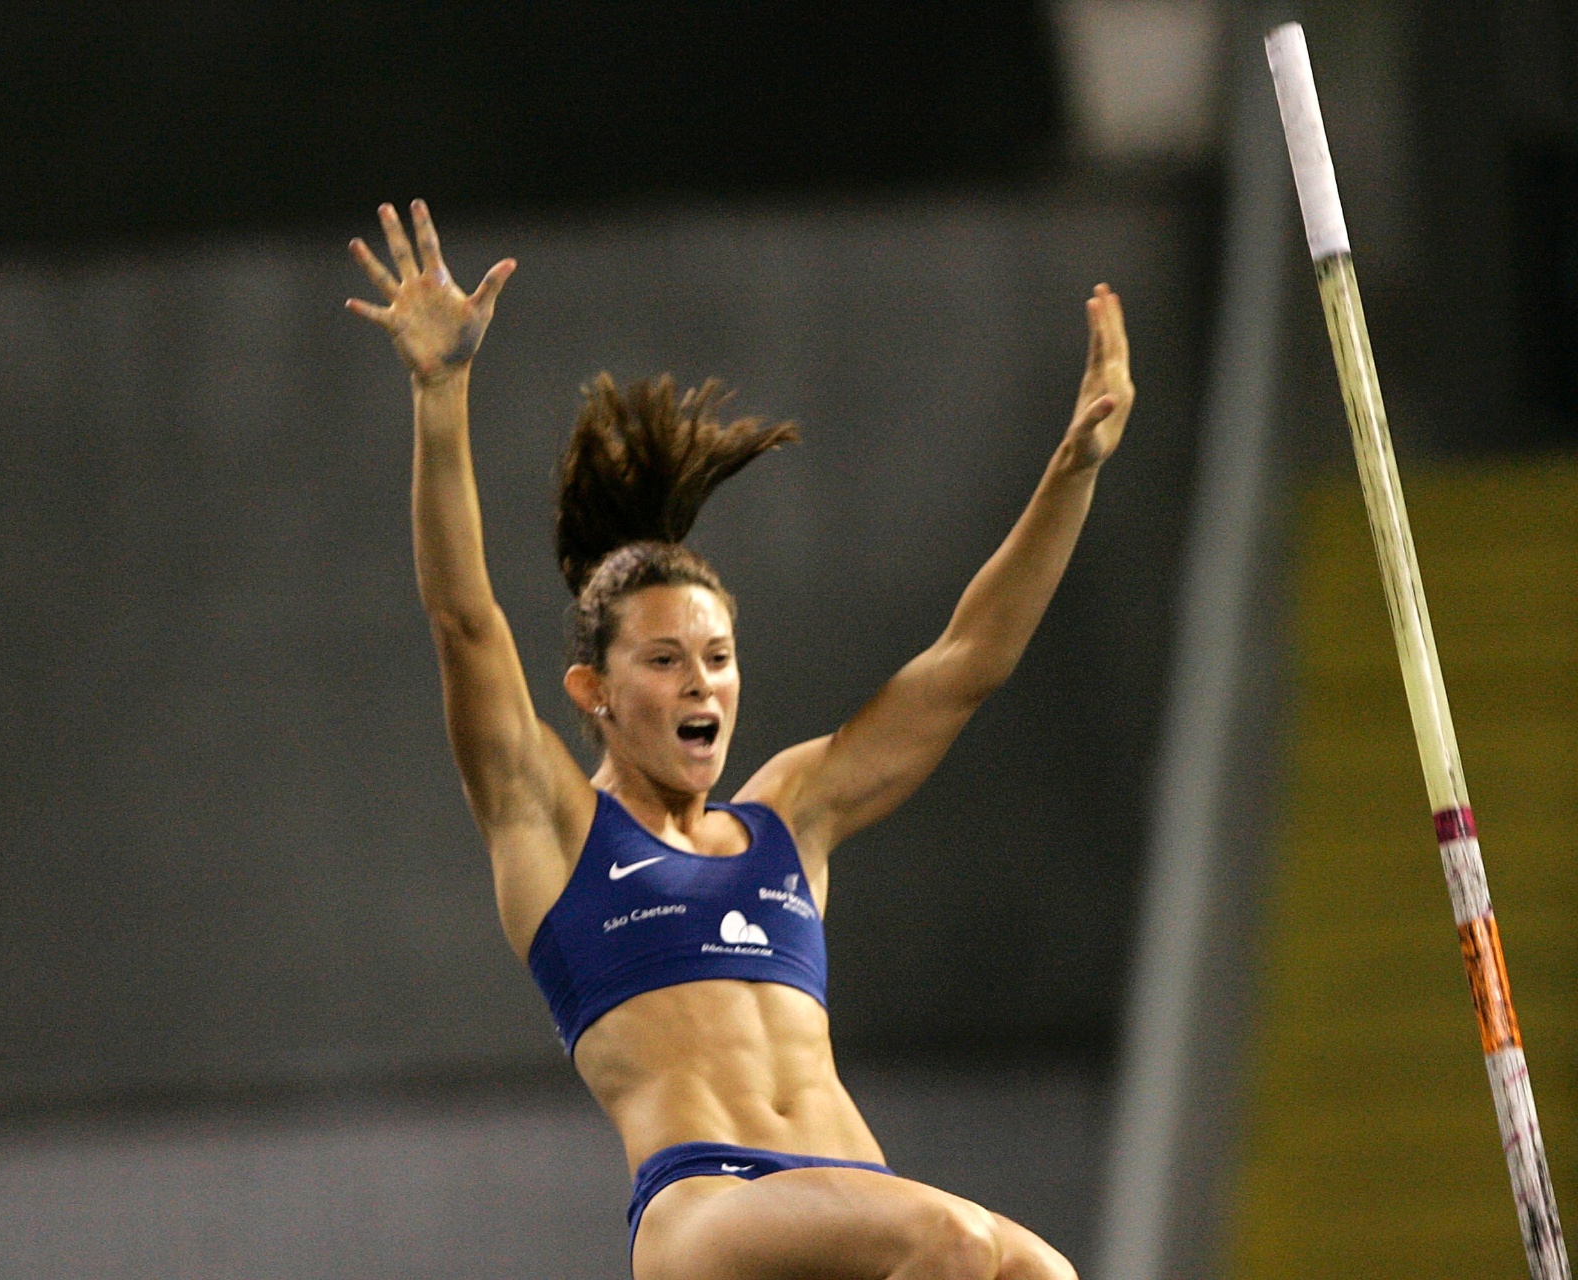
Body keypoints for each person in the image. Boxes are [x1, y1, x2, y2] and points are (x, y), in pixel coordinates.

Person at [347, 200, 1132, 1280]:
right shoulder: (552, 823)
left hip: (858, 1211)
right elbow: (464, 620)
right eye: (664, 659)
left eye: (715, 655)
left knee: (1042, 1272)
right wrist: (441, 393)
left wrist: (1074, 468)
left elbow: (964, 665)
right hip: (709, 1212)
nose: (699, 679)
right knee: (954, 1239)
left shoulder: (789, 818)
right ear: (593, 692)